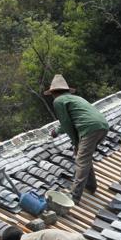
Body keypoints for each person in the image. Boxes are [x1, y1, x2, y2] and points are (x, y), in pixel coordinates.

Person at [46, 75, 110, 203]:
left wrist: (75, 143)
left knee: (81, 160)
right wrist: (57, 131)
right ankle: (91, 185)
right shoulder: (75, 98)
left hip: (89, 129)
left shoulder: (58, 101)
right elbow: (69, 121)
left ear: (53, 92)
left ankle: (74, 196)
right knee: (85, 157)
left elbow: (66, 124)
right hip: (102, 126)